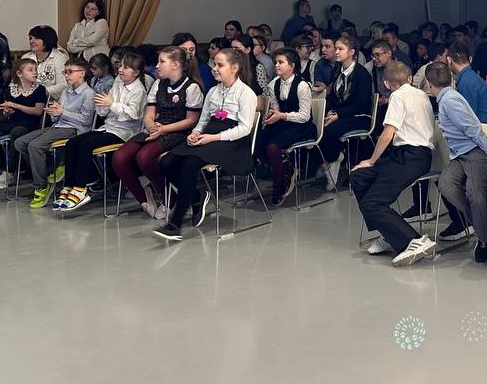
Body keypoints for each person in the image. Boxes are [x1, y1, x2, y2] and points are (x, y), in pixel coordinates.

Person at [154, 48, 258, 241]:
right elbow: (203, 120)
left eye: (220, 65)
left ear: (234, 68)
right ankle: (196, 196)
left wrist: (214, 138)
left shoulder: (246, 93)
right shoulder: (213, 91)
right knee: (167, 162)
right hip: (209, 134)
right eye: (214, 64)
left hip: (231, 141)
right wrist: (195, 133)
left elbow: (245, 128)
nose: (214, 69)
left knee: (190, 163)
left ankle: (175, 224)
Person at [352, 61, 438, 266]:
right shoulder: (421, 94)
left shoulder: (397, 96)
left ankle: (413, 240)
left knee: (372, 203)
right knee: (359, 176)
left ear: (387, 84)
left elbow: (388, 133)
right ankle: (389, 233)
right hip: (415, 156)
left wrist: (371, 160)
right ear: (410, 78)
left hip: (409, 156)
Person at [110, 46, 203, 220]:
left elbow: (191, 120)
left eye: (162, 62)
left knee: (145, 157)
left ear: (175, 65)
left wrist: (163, 129)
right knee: (119, 157)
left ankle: (169, 198)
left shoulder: (191, 87)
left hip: (178, 132)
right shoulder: (158, 84)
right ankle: (143, 197)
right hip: (156, 128)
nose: (157, 66)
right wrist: (151, 126)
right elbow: (149, 114)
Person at [54, 52, 147, 212]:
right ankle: (68, 186)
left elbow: (132, 114)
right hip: (108, 127)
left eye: (125, 67)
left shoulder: (139, 90)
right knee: (72, 143)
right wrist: (101, 103)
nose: (120, 70)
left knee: (86, 145)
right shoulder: (118, 84)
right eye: (120, 66)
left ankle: (80, 188)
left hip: (124, 133)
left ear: (136, 72)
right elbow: (104, 113)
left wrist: (111, 104)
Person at [426, 62, 487, 256]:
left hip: (474, 152)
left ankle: (484, 240)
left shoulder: (450, 100)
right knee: (446, 185)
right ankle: (484, 220)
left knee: (476, 195)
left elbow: (473, 130)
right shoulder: (446, 98)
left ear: (429, 83)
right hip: (460, 155)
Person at [15, 58, 96, 208]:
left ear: (82, 73)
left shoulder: (88, 93)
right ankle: (47, 171)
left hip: (74, 129)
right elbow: (56, 117)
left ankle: (41, 186)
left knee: (35, 146)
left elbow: (86, 121)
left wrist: (63, 112)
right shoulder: (66, 91)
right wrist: (54, 112)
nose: (66, 75)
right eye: (65, 72)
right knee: (20, 143)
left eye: (70, 72)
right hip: (58, 126)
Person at [0, 58, 47, 197]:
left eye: (36, 70)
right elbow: (8, 110)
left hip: (28, 123)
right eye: (30, 70)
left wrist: (16, 106)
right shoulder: (10, 89)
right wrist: (7, 111)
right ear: (19, 74)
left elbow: (38, 111)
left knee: (17, 132)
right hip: (11, 121)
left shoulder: (39, 89)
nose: (35, 72)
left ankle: (10, 172)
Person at [258, 47, 316, 203]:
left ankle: (279, 184)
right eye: (276, 62)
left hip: (301, 126)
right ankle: (284, 172)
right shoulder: (274, 84)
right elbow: (277, 108)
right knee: (259, 144)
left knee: (273, 146)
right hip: (284, 122)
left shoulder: (302, 85)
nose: (276, 65)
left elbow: (304, 116)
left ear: (291, 66)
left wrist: (281, 116)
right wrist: (273, 116)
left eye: (280, 62)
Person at [318, 33, 374, 190]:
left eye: (340, 49)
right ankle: (332, 158)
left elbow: (360, 103)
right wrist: (331, 111)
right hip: (341, 114)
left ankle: (334, 158)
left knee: (329, 130)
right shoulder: (337, 70)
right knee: (317, 126)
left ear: (351, 52)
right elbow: (332, 96)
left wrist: (338, 115)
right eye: (336, 48)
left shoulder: (362, 74)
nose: (336, 52)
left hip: (359, 116)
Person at [448, 44, 487, 125]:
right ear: (470, 59)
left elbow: (468, 117)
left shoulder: (466, 81)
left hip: (483, 127)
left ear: (449, 60)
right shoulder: (470, 77)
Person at [24, 25, 69, 98]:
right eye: (30, 38)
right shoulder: (26, 57)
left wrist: (39, 92)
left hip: (53, 101)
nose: (32, 41)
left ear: (47, 40)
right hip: (28, 98)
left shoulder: (60, 58)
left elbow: (63, 85)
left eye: (37, 38)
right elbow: (18, 81)